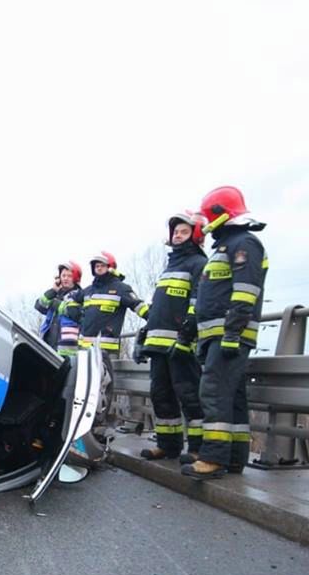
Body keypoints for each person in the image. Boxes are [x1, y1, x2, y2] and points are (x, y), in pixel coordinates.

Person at [182, 186, 268, 480]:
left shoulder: (244, 244)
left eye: (207, 217)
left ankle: (213, 458)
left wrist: (231, 334)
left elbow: (245, 294)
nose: (204, 225)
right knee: (232, 398)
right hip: (217, 336)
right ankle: (233, 458)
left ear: (220, 214)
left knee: (214, 393)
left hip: (229, 336)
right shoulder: (226, 247)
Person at [138, 212, 208, 460]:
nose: (177, 236)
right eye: (175, 232)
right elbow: (160, 308)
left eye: (184, 232)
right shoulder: (170, 267)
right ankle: (168, 446)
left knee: (189, 396)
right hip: (158, 347)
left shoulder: (199, 264)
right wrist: (143, 337)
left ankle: (199, 449)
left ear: (195, 235)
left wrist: (186, 337)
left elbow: (197, 303)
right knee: (161, 396)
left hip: (181, 345)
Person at [62, 252, 148, 431]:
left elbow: (138, 306)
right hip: (85, 350)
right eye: (95, 266)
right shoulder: (88, 290)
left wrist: (155, 321)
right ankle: (83, 423)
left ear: (110, 267)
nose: (98, 268)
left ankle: (98, 425)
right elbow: (69, 298)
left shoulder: (120, 288)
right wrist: (74, 312)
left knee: (102, 387)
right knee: (83, 387)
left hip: (105, 350)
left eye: (101, 265)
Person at [34, 261, 82, 355]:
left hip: (68, 351)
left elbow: (76, 314)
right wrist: (53, 290)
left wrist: (57, 304)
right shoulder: (55, 295)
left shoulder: (80, 295)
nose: (65, 278)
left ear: (76, 278)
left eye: (69, 276)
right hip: (47, 346)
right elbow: (39, 306)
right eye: (63, 275)